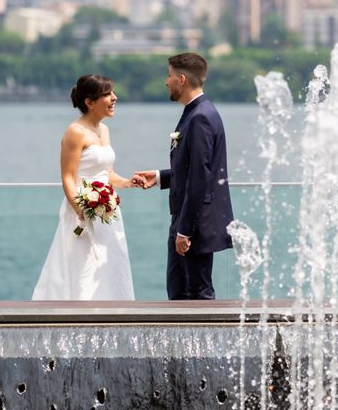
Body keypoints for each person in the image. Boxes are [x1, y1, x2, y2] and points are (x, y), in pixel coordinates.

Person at [32, 74, 143, 300]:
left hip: (108, 211)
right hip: (82, 210)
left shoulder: (104, 130)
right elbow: (68, 178)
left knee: (110, 264)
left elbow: (107, 174)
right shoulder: (75, 132)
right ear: (89, 102)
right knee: (83, 268)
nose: (114, 98)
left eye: (112, 93)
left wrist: (129, 182)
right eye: (107, 94)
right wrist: (82, 212)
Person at [137, 53, 234, 300]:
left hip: (194, 226)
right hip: (189, 222)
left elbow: (201, 178)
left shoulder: (200, 116)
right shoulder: (198, 112)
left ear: (182, 79)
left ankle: (209, 341)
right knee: (182, 293)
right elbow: (193, 170)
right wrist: (160, 177)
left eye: (169, 76)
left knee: (195, 295)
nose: (166, 81)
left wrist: (185, 231)